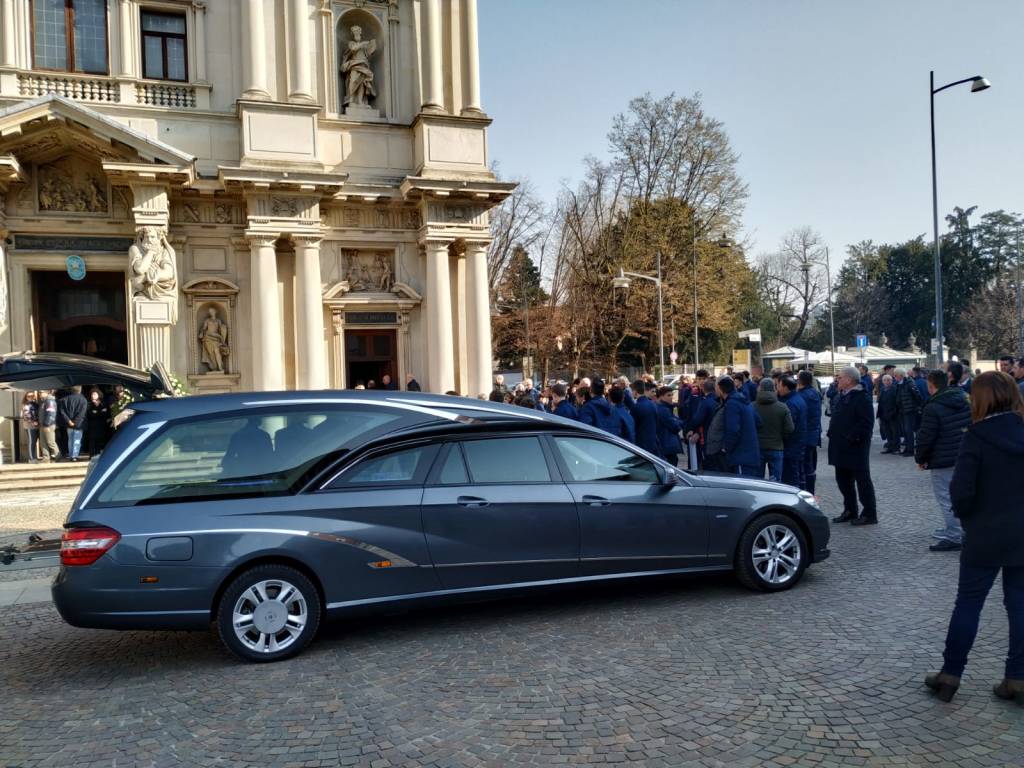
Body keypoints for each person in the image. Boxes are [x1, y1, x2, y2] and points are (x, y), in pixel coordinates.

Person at [925, 371, 1024, 704]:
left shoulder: (978, 436)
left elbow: (961, 491)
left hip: (984, 533)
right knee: (1020, 606)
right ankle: (1017, 677)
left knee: (968, 604)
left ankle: (950, 674)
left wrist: (969, 520)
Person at [914, 370, 970, 552]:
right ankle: (961, 530)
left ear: (931, 385)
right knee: (962, 495)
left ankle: (955, 535)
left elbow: (926, 436)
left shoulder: (933, 406)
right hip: (964, 454)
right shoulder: (963, 397)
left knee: (946, 497)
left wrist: (921, 458)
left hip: (943, 457)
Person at [827, 366, 877, 525]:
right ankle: (850, 510)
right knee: (843, 481)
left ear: (849, 380)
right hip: (840, 446)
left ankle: (869, 513)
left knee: (862, 481)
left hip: (855, 447)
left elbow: (866, 423)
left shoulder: (861, 397)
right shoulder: (841, 395)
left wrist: (851, 437)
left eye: (840, 377)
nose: (837, 380)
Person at [717, 375, 761, 477]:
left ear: (720, 389)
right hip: (752, 454)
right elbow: (758, 422)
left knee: (743, 488)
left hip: (740, 456)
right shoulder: (744, 401)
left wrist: (726, 448)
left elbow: (733, 430)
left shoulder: (732, 404)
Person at [753, 378, 793, 482]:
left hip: (757, 447)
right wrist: (781, 438)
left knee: (757, 480)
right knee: (776, 481)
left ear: (760, 389)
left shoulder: (752, 407)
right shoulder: (782, 407)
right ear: (774, 389)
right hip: (776, 447)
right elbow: (789, 428)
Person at [777, 376, 807, 488]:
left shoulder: (790, 403)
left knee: (791, 478)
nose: (777, 389)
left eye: (778, 386)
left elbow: (788, 427)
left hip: (791, 445)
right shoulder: (798, 398)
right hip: (798, 443)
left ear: (785, 387)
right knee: (798, 474)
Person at [797, 370, 823, 493]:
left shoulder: (802, 395)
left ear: (800, 381)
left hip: (804, 435)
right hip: (813, 433)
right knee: (809, 464)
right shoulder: (815, 393)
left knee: (803, 465)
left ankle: (806, 491)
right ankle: (810, 491)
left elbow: (801, 416)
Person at [894, 368, 923, 456]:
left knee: (908, 430)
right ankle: (907, 449)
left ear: (901, 375)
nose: (895, 377)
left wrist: (917, 407)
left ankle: (910, 450)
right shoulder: (899, 384)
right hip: (902, 410)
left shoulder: (909, 383)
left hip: (909, 410)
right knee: (905, 431)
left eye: (896, 375)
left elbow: (917, 396)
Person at [628, 379, 661, 457]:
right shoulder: (653, 404)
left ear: (635, 391)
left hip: (641, 443)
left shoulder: (636, 407)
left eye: (632, 391)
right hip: (653, 441)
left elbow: (633, 426)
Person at [58, 386, 88, 462]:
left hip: (68, 424)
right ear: (80, 390)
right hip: (79, 423)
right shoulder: (83, 400)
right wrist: (75, 421)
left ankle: (71, 455)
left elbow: (62, 411)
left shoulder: (65, 399)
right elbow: (82, 413)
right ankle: (74, 456)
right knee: (77, 440)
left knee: (70, 440)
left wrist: (68, 421)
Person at [655, 386, 682, 466]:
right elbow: (675, 427)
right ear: (661, 396)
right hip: (666, 445)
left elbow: (676, 420)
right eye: (668, 395)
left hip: (665, 444)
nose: (671, 397)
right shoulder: (663, 409)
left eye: (671, 395)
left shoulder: (666, 408)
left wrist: (677, 421)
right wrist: (678, 422)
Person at [877, 374, 900, 454]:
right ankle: (890, 447)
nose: (887, 382)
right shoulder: (882, 389)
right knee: (887, 431)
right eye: (885, 380)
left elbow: (897, 403)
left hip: (892, 414)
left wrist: (893, 412)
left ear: (891, 381)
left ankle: (896, 448)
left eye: (889, 380)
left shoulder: (895, 389)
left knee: (895, 432)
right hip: (883, 414)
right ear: (883, 382)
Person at [84, 389, 110, 458]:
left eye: (95, 394)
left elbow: (106, 414)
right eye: (92, 394)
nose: (93, 395)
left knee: (100, 441)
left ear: (99, 395)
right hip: (92, 426)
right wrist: (100, 412)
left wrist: (96, 412)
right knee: (92, 441)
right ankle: (91, 455)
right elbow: (89, 414)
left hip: (101, 425)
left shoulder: (103, 403)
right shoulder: (89, 404)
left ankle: (98, 455)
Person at [37, 390, 59, 463]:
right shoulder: (43, 401)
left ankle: (58, 455)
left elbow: (51, 414)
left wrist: (47, 424)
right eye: (39, 392)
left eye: (41, 392)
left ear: (47, 393)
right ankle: (46, 457)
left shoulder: (50, 401)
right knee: (43, 442)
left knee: (50, 442)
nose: (40, 394)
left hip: (48, 425)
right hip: (42, 425)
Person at [20, 391, 39, 464]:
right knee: (32, 442)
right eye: (29, 396)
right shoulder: (26, 405)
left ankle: (34, 457)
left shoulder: (35, 404)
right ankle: (31, 458)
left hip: (36, 425)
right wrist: (33, 422)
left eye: (32, 396)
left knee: (34, 441)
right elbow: (26, 415)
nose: (30, 397)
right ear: (26, 397)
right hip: (30, 426)